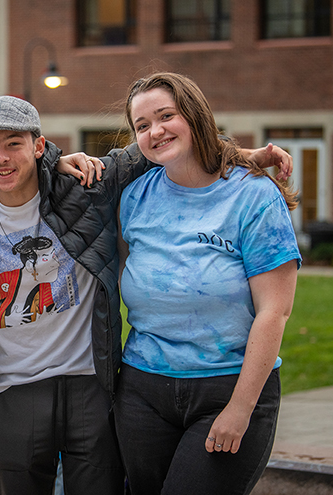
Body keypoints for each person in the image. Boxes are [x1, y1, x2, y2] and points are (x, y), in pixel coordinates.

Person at [0, 94, 293, 494]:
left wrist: (239, 155)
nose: (2, 158)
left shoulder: (83, 190)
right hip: (15, 387)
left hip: (90, 382)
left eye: (14, 143)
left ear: (38, 145)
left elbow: (162, 145)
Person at [113, 72, 301, 494]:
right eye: (142, 126)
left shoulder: (253, 196)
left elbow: (275, 311)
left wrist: (240, 408)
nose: (155, 131)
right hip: (142, 390)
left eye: (166, 116)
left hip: (228, 387)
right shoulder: (134, 197)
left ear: (194, 115)